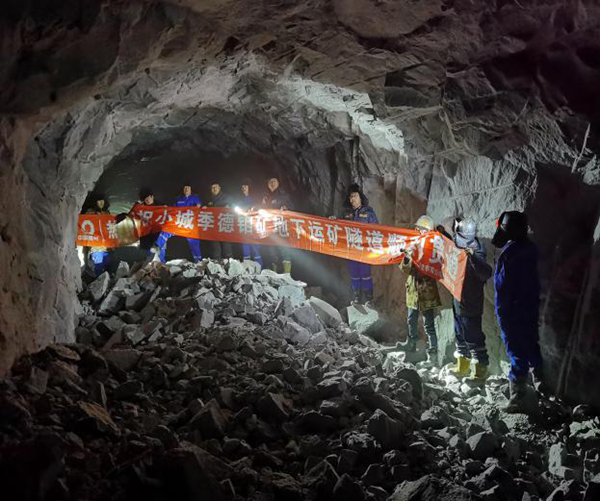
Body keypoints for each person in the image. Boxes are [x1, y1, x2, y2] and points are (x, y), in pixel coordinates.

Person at [492, 211, 543, 413]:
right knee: (531, 344)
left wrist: (503, 313)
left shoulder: (510, 254)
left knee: (516, 351)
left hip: (512, 310)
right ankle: (541, 387)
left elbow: (503, 286)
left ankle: (518, 397)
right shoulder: (530, 248)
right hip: (529, 307)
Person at [449, 218, 493, 383]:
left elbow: (485, 273)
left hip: (471, 302)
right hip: (458, 299)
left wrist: (473, 257)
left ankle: (481, 370)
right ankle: (463, 365)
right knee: (459, 333)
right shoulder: (458, 246)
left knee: (473, 336)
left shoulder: (477, 251)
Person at [398, 215, 441, 365]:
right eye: (417, 228)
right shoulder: (413, 245)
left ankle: (433, 355)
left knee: (429, 324)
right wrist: (407, 257)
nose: (417, 231)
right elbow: (405, 269)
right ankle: (411, 344)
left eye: (421, 229)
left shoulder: (433, 248)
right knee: (411, 320)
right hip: (413, 291)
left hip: (427, 292)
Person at [340, 184, 378, 305]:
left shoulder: (368, 212)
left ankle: (369, 299)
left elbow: (376, 228)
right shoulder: (346, 213)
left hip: (364, 249)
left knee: (365, 274)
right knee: (354, 274)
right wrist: (332, 220)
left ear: (360, 197)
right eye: (351, 197)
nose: (352, 199)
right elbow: (339, 227)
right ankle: (357, 298)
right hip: (351, 249)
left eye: (355, 196)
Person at [155, 183, 202, 263]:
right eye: (185, 188)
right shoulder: (178, 198)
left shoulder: (195, 198)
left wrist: (199, 206)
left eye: (188, 188)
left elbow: (199, 206)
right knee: (164, 232)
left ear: (191, 189)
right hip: (178, 223)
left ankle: (198, 261)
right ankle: (159, 256)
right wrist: (167, 208)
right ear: (183, 189)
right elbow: (173, 209)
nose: (186, 189)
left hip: (189, 225)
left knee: (194, 242)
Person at [262, 176, 292, 274]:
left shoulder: (283, 195)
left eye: (274, 181)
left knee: (284, 249)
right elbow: (262, 208)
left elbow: (291, 206)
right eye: (270, 182)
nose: (272, 184)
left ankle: (286, 275)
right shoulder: (265, 196)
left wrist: (286, 207)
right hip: (270, 228)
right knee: (272, 251)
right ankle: (274, 274)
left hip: (281, 227)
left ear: (278, 183)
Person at [234, 180, 262, 268]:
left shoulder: (255, 197)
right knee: (245, 247)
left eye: (245, 186)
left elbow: (260, 206)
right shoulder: (238, 198)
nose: (244, 189)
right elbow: (235, 208)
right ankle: (247, 268)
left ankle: (259, 268)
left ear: (249, 187)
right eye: (242, 187)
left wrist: (254, 208)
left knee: (255, 247)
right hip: (244, 226)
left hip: (254, 226)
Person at [84, 194, 113, 276]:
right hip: (95, 242)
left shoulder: (106, 212)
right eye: (99, 202)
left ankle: (105, 277)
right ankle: (98, 278)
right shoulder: (90, 212)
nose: (101, 203)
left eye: (102, 202)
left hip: (105, 242)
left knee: (107, 260)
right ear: (96, 203)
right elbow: (86, 222)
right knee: (98, 263)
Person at [204, 182, 233, 260]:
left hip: (224, 224)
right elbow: (204, 207)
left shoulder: (226, 197)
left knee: (226, 245)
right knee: (215, 247)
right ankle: (217, 262)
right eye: (212, 187)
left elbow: (233, 207)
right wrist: (204, 208)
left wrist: (229, 207)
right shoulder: (208, 198)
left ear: (219, 188)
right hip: (213, 225)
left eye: (215, 187)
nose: (214, 189)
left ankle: (229, 262)